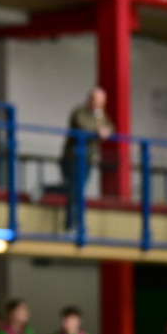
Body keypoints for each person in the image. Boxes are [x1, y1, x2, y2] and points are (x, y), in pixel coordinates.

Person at [60, 88, 114, 230]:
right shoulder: (79, 112)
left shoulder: (100, 115)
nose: (98, 104)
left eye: (101, 102)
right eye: (96, 100)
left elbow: (110, 128)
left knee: (77, 189)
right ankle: (73, 224)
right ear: (90, 99)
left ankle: (76, 223)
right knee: (75, 189)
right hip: (73, 158)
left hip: (87, 159)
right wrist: (99, 131)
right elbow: (83, 126)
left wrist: (104, 130)